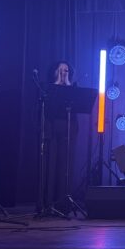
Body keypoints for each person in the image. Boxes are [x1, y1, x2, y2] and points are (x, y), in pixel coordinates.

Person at [44, 60, 79, 208]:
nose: (63, 73)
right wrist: (58, 82)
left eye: (66, 70)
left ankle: (63, 203)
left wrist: (68, 84)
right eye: (60, 70)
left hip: (68, 128)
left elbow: (77, 108)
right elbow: (48, 108)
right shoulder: (49, 88)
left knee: (65, 165)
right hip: (52, 128)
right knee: (51, 164)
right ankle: (48, 202)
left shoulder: (73, 88)